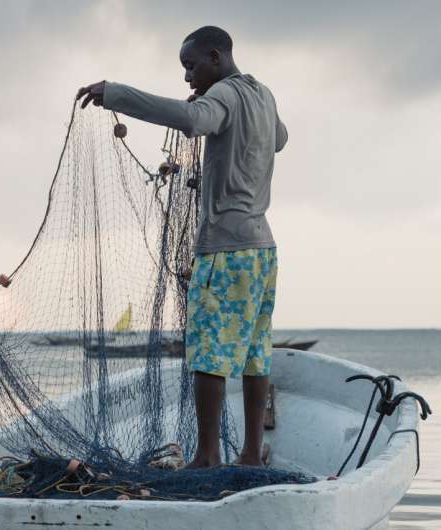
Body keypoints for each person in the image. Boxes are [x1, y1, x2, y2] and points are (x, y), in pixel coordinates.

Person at [77, 26, 287, 468]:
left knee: (207, 353)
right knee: (254, 351)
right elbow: (280, 138)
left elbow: (192, 121)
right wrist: (221, 115)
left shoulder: (226, 95)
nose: (187, 78)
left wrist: (114, 93)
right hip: (262, 250)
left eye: (190, 67)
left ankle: (207, 456)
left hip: (225, 250)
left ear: (215, 56)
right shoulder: (262, 93)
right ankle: (250, 453)